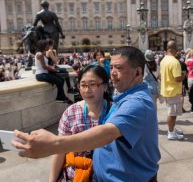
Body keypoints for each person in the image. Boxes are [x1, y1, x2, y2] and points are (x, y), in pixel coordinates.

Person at [13, 46, 160, 182]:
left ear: (138, 72)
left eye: (119, 68)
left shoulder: (137, 102)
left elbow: (107, 133)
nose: (112, 73)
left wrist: (53, 144)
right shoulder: (125, 95)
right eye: (112, 66)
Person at [49, 65, 110, 182]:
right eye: (83, 85)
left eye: (92, 84)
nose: (87, 90)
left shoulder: (115, 112)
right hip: (75, 176)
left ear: (105, 86)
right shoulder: (70, 112)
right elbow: (60, 149)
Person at [160, 40, 185, 140]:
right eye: (177, 48)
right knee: (172, 114)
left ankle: (172, 129)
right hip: (173, 91)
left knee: (171, 112)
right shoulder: (175, 62)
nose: (178, 50)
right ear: (173, 49)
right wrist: (184, 75)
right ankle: (171, 133)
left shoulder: (164, 60)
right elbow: (177, 78)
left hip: (166, 89)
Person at [34, 39, 72, 104]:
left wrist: (53, 69)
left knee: (61, 79)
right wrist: (55, 70)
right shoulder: (39, 54)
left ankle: (61, 96)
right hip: (40, 74)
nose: (48, 47)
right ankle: (61, 97)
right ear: (43, 46)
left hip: (44, 73)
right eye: (47, 46)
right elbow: (44, 67)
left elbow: (46, 65)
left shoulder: (42, 54)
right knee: (59, 81)